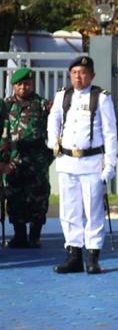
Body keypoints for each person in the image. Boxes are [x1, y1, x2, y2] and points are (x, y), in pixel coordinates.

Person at [45, 58, 118, 273]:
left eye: (83, 72)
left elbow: (110, 133)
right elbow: (54, 119)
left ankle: (93, 257)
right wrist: (53, 140)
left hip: (92, 162)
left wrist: (110, 164)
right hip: (67, 161)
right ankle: (74, 255)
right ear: (70, 75)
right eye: (75, 72)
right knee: (69, 211)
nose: (79, 76)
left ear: (92, 75)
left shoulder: (101, 98)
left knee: (93, 211)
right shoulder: (63, 96)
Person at [1, 68, 54, 249]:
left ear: (32, 84)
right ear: (13, 86)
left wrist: (47, 156)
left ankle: (35, 235)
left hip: (37, 160)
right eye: (19, 84)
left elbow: (54, 129)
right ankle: (19, 235)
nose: (23, 87)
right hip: (13, 158)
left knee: (39, 197)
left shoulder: (42, 105)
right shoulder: (6, 106)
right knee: (14, 196)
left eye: (27, 84)